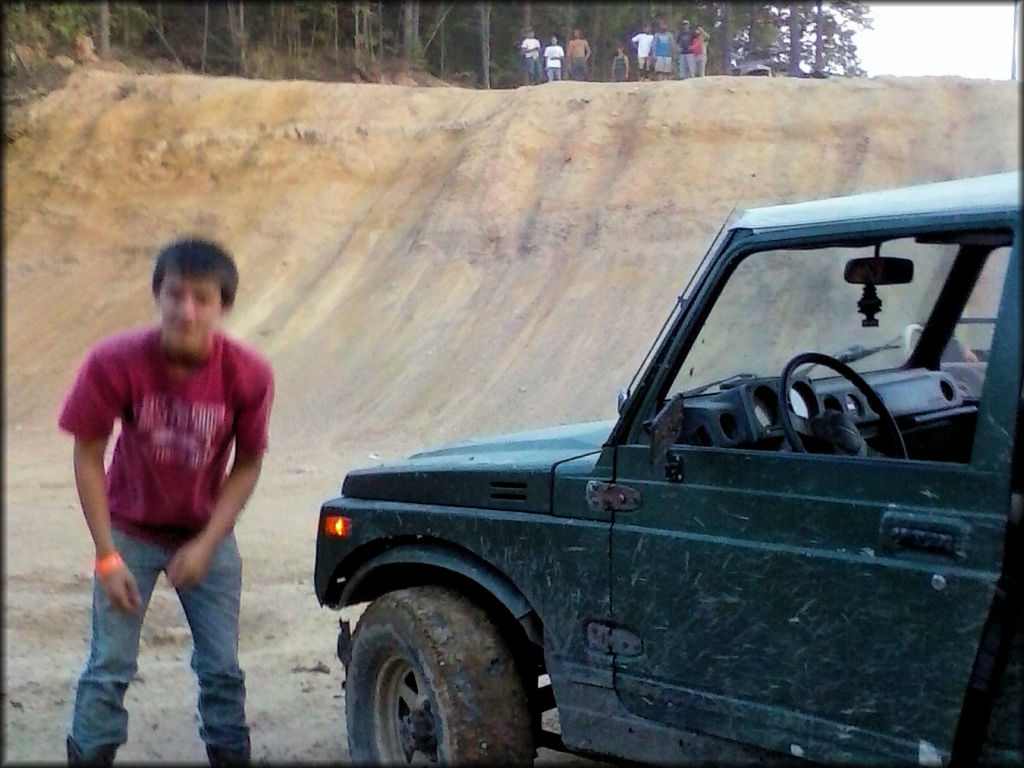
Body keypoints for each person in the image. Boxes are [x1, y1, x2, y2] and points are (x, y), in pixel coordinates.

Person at [59, 237, 275, 766]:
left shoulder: (248, 374)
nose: (187, 310)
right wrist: (107, 556)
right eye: (175, 294)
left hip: (206, 533)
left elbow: (247, 463)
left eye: (202, 298)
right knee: (109, 668)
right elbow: (88, 455)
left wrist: (207, 543)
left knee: (222, 670)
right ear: (157, 294)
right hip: (129, 531)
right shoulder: (115, 361)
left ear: (223, 306)